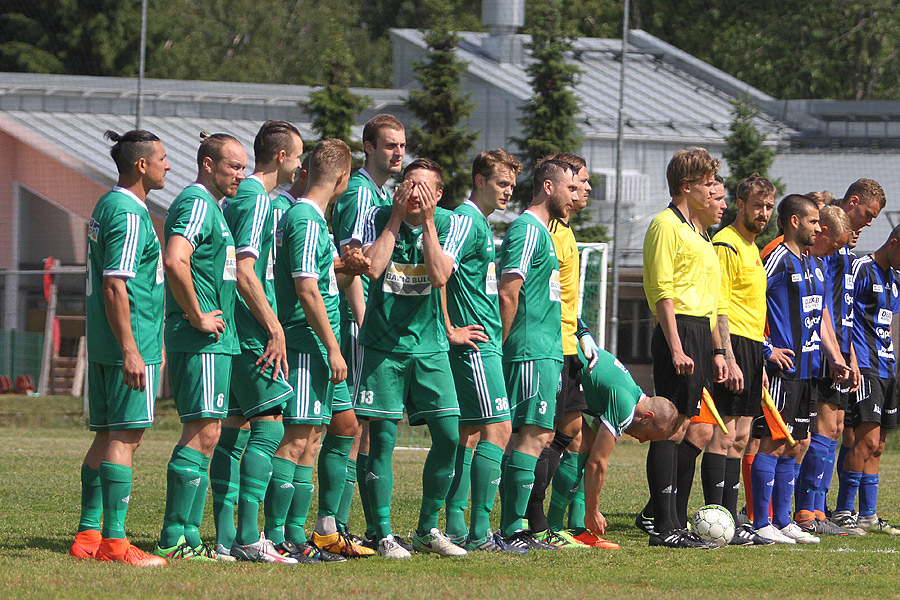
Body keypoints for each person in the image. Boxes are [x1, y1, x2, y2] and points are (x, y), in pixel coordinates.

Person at [354, 158, 468, 559]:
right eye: (408, 184)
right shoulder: (377, 214)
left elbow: (439, 276)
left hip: (430, 348)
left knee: (450, 436)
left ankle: (426, 529)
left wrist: (430, 225)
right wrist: (396, 217)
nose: (414, 192)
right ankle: (380, 532)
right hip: (384, 348)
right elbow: (374, 268)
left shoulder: (451, 223)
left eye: (423, 187)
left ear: (438, 195)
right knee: (382, 439)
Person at [271, 139, 375, 560]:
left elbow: (318, 274)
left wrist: (344, 266)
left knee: (329, 433)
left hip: (316, 345)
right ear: (344, 178)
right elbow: (305, 288)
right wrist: (334, 348)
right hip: (305, 343)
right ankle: (280, 537)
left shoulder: (313, 219)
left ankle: (311, 533)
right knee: (298, 440)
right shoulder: (305, 218)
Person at [72, 129, 169, 567]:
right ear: (142, 165)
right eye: (163, 159)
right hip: (129, 340)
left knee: (109, 435)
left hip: (108, 342)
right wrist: (133, 347)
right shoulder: (129, 214)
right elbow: (116, 285)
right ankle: (114, 544)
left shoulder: (107, 204)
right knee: (126, 438)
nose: (168, 165)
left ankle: (88, 534)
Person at [154, 133, 246, 562]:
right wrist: (196, 315)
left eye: (244, 167)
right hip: (201, 338)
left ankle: (190, 536)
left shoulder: (215, 208)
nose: (240, 176)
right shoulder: (195, 202)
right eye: (233, 167)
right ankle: (174, 535)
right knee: (203, 430)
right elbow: (175, 259)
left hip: (216, 340)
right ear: (208, 165)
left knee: (208, 433)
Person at [215, 120, 302, 564]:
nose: (301, 164)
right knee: (269, 427)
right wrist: (274, 327)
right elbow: (246, 271)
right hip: (250, 331)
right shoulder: (254, 198)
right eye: (298, 155)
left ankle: (226, 538)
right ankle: (251, 537)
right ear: (282, 157)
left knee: (232, 429)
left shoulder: (243, 196)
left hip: (235, 328)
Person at [751, 194, 849, 545]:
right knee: (775, 442)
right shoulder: (775, 258)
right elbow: (747, 301)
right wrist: (765, 349)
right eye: (813, 222)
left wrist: (834, 356)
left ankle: (782, 520)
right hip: (783, 369)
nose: (819, 228)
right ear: (794, 221)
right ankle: (761, 522)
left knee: (797, 443)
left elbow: (819, 314)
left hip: (809, 369)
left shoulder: (812, 261)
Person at [441, 149, 524, 553]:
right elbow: (438, 268)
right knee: (499, 428)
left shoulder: (481, 224)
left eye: (511, 184)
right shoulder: (464, 219)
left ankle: (459, 526)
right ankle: (478, 531)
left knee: (471, 431)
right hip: (475, 344)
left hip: (484, 340)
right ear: (479, 180)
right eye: (501, 183)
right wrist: (448, 329)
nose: (508, 191)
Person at [522, 153, 607, 549]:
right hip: (546, 344)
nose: (585, 189)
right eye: (577, 183)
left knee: (572, 433)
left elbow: (568, 297)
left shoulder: (567, 233)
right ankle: (530, 518)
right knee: (543, 434)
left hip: (569, 341)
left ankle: (559, 523)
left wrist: (584, 330)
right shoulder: (544, 230)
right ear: (554, 186)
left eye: (584, 183)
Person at [639, 147, 721, 549]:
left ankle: (672, 521)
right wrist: (675, 345)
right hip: (679, 332)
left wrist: (717, 350)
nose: (712, 191)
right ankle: (663, 528)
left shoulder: (700, 232)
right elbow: (662, 292)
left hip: (700, 333)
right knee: (669, 426)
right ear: (686, 186)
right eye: (707, 184)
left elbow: (711, 297)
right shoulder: (664, 225)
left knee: (687, 425)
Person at [496, 159, 579, 551]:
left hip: (545, 350)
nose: (575, 195)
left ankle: (517, 527)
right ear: (548, 187)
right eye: (570, 187)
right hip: (530, 350)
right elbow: (509, 290)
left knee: (536, 435)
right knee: (530, 435)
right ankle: (512, 528)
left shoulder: (544, 232)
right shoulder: (528, 229)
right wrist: (502, 341)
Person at [331, 114, 406, 545]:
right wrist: (363, 323)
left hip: (366, 325)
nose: (398, 152)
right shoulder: (360, 194)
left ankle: (343, 526)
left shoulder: (379, 193)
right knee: (352, 424)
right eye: (390, 145)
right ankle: (335, 525)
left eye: (402, 145)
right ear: (369, 148)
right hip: (355, 324)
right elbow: (354, 265)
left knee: (360, 426)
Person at [704, 174, 776, 546]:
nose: (763, 213)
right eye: (757, 205)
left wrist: (758, 362)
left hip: (752, 348)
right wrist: (727, 355)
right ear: (740, 205)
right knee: (724, 434)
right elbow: (721, 307)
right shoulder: (726, 245)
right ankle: (714, 515)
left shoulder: (752, 248)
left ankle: (730, 519)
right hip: (733, 346)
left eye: (768, 207)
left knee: (743, 436)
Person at [833, 226, 900, 535]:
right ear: (894, 244)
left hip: (888, 369)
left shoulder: (895, 281)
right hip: (866, 367)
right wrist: (850, 358)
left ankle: (868, 515)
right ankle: (844, 511)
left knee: (879, 446)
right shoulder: (861, 268)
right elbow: (841, 313)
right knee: (865, 440)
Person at [580, 350, 679, 542]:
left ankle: (576, 528)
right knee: (573, 448)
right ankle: (538, 523)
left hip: (560, 362)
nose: (641, 441)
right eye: (648, 436)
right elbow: (597, 463)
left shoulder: (631, 390)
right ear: (647, 416)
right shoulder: (625, 407)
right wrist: (593, 512)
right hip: (553, 362)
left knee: (582, 447)